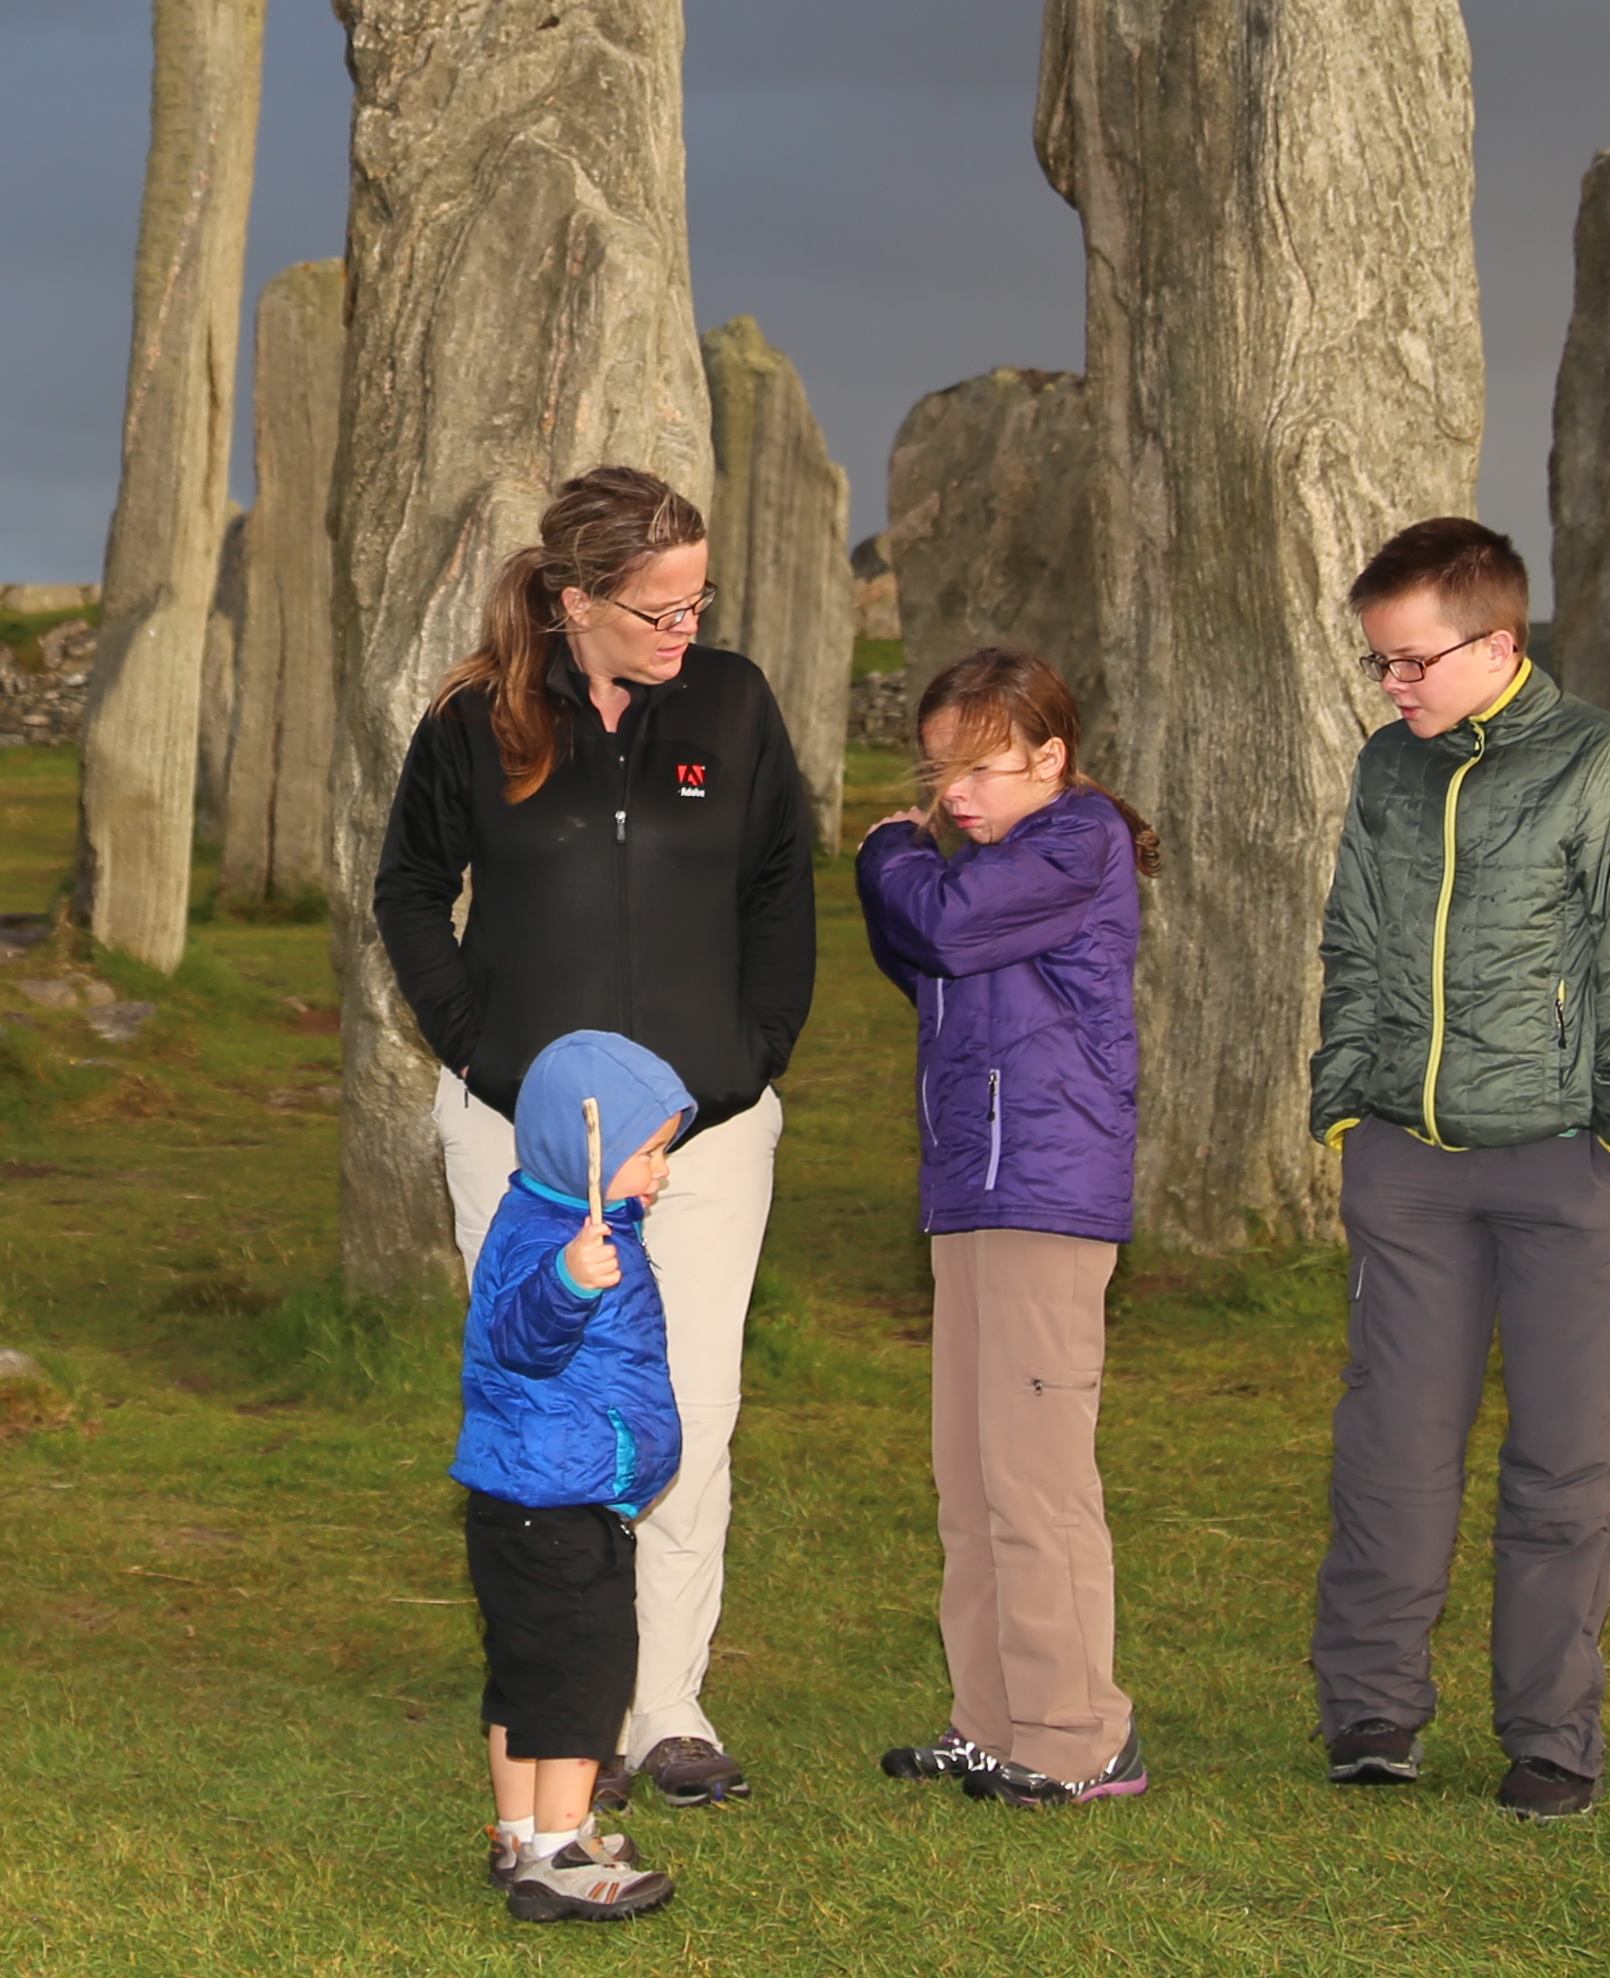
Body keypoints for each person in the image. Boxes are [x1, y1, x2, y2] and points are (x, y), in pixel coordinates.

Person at [372, 460, 816, 1810]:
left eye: (697, 604)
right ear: (573, 599)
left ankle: (664, 1707)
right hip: (524, 1150)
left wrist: (750, 1060)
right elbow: (405, 890)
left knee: (693, 1409)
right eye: (655, 610)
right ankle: (566, 1710)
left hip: (707, 1139)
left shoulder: (731, 704)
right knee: (550, 1412)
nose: (684, 632)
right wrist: (479, 1047)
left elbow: (784, 882)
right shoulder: (472, 721)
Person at [1303, 511, 1610, 1820]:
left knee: (1563, 1463)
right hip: (1406, 1164)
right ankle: (1371, 1713)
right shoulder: (1388, 769)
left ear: (1499, 642)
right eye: (1380, 665)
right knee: (1393, 1449)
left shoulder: (1601, 762)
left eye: (1411, 662)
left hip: (1562, 1161)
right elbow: (1351, 936)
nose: (1394, 686)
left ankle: (1551, 1739)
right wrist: (1346, 1094)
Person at [854, 642, 1156, 1810]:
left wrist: (890, 847)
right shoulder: (989, 866)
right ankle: (995, 1721)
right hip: (972, 1189)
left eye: (979, 771)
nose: (954, 798)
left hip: (1045, 1189)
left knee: (1036, 1479)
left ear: (1052, 756)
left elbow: (933, 921)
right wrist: (909, 876)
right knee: (972, 1477)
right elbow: (917, 946)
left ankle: (1082, 1736)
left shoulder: (1073, 841)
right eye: (938, 777)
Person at [455, 1027, 697, 1926]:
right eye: (648, 1152)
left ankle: (520, 1832)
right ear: (581, 1145)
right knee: (580, 1677)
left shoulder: (564, 1214)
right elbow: (520, 1338)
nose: (661, 1170)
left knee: (524, 1675)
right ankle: (560, 1853)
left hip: (528, 1498)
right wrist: (568, 1281)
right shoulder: (552, 1242)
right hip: (556, 1506)